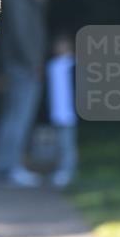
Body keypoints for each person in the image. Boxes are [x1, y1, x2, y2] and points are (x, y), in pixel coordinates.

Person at [0, 0, 49, 187]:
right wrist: (34, 63)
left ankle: (6, 166)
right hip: (23, 67)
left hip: (21, 65)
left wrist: (40, 1)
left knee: (14, 115)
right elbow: (23, 34)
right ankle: (10, 167)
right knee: (19, 117)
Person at [47, 35, 78, 187]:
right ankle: (59, 170)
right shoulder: (52, 65)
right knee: (58, 144)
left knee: (67, 144)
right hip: (55, 112)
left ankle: (67, 171)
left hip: (69, 113)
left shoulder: (74, 65)